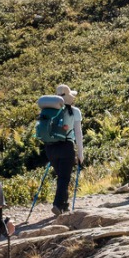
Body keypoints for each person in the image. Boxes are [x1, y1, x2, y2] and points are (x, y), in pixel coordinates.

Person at [35, 84, 85, 214]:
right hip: (66, 147)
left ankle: (64, 204)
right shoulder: (75, 111)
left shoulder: (50, 111)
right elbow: (78, 134)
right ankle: (57, 204)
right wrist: (80, 153)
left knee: (61, 176)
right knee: (64, 178)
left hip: (50, 149)